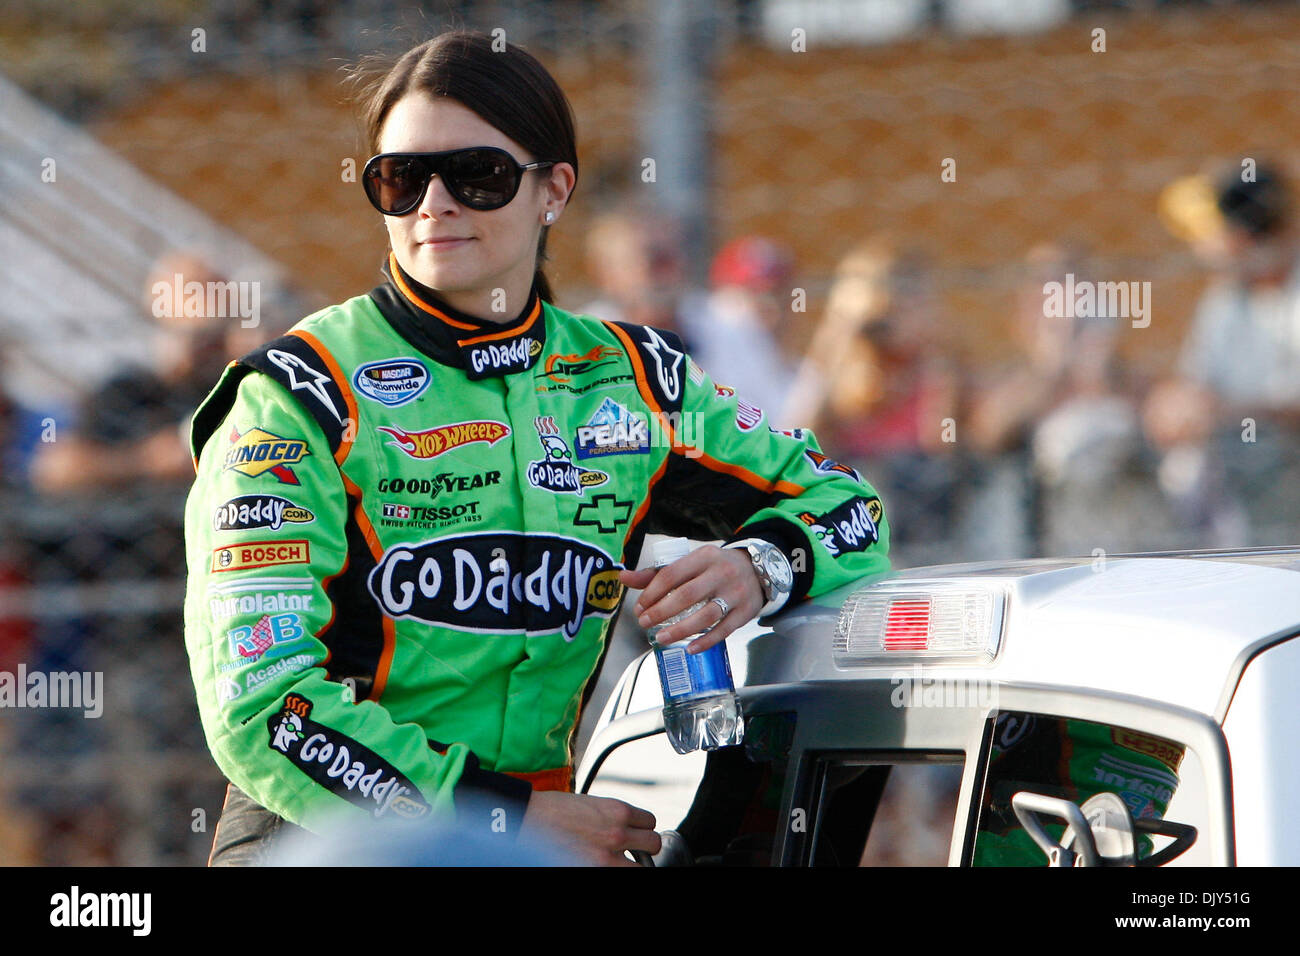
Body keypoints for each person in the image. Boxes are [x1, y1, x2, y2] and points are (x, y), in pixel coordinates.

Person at [183, 30, 891, 867]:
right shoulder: (301, 393)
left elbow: (853, 508)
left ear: (555, 189)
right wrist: (499, 817)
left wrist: (755, 567)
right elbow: (260, 705)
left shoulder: (631, 377)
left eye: (476, 175)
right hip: (334, 839)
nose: (434, 205)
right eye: (402, 179)